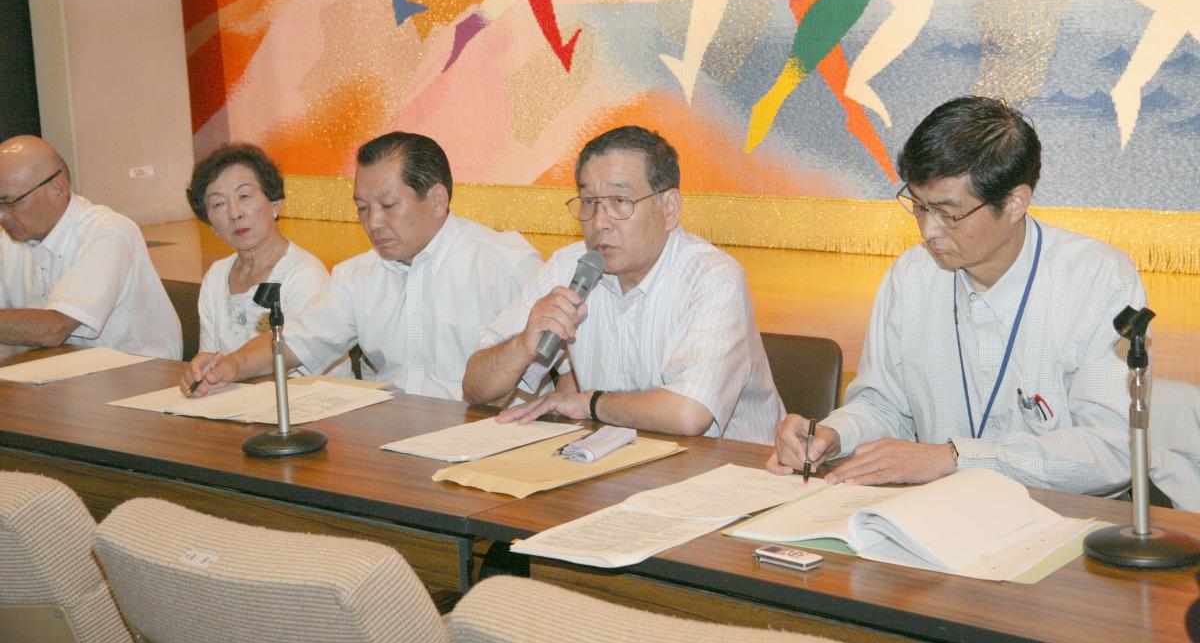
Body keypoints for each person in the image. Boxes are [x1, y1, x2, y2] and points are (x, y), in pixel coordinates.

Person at [769, 96, 1145, 495]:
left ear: (1016, 201)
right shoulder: (912, 274)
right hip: (937, 512)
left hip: (1065, 515)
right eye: (918, 206)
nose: (929, 231)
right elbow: (884, 405)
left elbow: (1112, 450)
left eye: (949, 213)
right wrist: (832, 435)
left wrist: (954, 458)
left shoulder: (1097, 278)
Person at [464, 125, 784, 444]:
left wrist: (588, 403)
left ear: (669, 209)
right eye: (589, 202)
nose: (600, 222)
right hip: (617, 465)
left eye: (620, 200)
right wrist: (522, 344)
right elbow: (476, 387)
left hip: (728, 474)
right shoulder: (568, 266)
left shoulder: (713, 277)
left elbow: (689, 414)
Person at [184, 131, 541, 399]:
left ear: (436, 199)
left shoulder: (502, 265)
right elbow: (297, 339)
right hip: (386, 434)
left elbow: (551, 376)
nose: (373, 223)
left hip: (478, 434)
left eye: (388, 205)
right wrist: (231, 365)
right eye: (363, 208)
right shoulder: (357, 275)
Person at [0, 136, 181, 358]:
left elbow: (52, 329)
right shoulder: (8, 240)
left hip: (137, 376)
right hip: (59, 374)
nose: (2, 215)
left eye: (10, 202)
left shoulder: (108, 232)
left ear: (57, 188)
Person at [185, 144, 331, 364]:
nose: (234, 213)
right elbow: (209, 358)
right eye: (218, 204)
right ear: (210, 223)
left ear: (275, 204)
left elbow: (298, 361)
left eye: (244, 196)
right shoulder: (216, 276)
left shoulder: (305, 276)